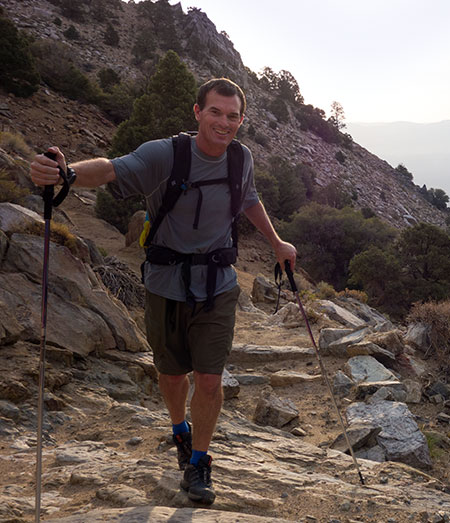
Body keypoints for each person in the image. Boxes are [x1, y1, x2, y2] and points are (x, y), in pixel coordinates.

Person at [30, 78, 296, 505]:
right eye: (215, 112)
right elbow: (112, 167)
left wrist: (277, 242)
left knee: (208, 379)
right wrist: (68, 174)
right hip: (165, 283)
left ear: (241, 120)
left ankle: (200, 463)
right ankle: (180, 432)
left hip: (217, 285)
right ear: (197, 112)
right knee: (172, 374)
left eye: (232, 116)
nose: (223, 123)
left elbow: (248, 199)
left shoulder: (239, 158)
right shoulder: (166, 154)